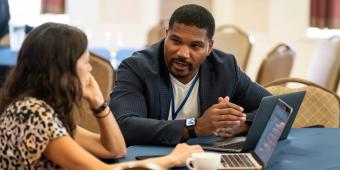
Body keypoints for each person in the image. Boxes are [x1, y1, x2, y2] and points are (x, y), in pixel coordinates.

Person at [0, 22, 202, 169]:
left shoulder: (32, 108)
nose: (90, 69)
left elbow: (116, 150)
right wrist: (173, 158)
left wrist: (98, 103)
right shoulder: (33, 114)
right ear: (63, 68)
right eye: (85, 62)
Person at [110, 4, 271, 146]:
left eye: (195, 46)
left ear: (209, 47)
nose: (183, 53)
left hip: (203, 160)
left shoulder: (225, 67)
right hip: (151, 160)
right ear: (166, 35)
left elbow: (273, 108)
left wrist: (240, 125)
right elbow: (123, 126)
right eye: (176, 41)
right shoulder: (137, 67)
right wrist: (195, 127)